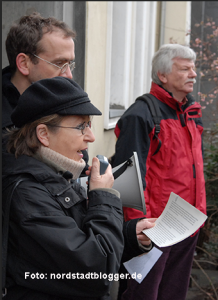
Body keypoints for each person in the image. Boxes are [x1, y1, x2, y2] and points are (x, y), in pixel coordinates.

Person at [2, 76, 156, 300]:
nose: (91, 137)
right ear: (43, 134)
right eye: (81, 126)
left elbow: (77, 240)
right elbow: (96, 272)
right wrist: (103, 196)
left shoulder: (56, 174)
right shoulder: (27, 195)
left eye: (90, 125)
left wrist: (129, 236)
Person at [112, 44, 206, 300]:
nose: (193, 74)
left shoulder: (191, 113)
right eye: (185, 68)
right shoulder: (141, 115)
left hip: (187, 225)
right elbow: (127, 177)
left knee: (173, 294)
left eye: (193, 68)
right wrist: (137, 230)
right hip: (154, 230)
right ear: (163, 75)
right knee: (142, 295)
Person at [2, 11, 91, 170]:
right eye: (59, 63)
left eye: (70, 64)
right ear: (24, 63)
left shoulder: (65, 104)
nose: (68, 75)